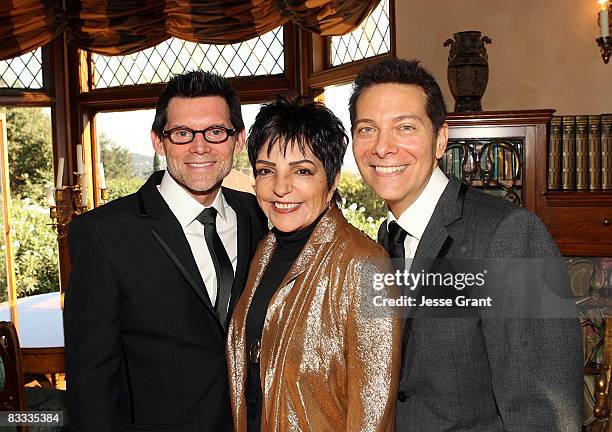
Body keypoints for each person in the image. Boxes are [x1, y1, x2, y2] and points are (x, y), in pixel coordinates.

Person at [349, 58, 583, 431]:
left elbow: (545, 412)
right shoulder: (385, 240)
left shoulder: (506, 235)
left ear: (440, 139)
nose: (382, 147)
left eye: (404, 127)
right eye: (367, 129)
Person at [64, 70, 268, 431]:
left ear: (237, 139)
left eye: (215, 132)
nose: (199, 147)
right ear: (159, 141)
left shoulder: (255, 213)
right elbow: (90, 380)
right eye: (182, 133)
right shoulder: (103, 234)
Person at [226, 98, 401, 432]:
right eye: (266, 170)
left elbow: (373, 415)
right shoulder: (263, 251)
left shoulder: (365, 265)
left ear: (331, 179)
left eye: (302, 171)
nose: (280, 187)